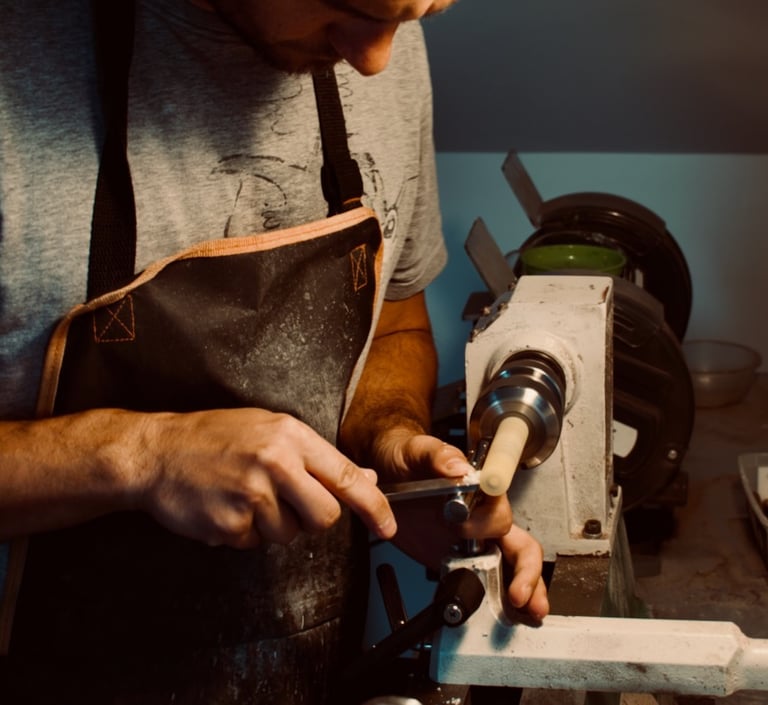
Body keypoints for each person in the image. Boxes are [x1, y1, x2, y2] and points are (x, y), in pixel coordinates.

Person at [0, 0, 549, 703]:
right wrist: (142, 455)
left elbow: (393, 322)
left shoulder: (381, 40)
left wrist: (389, 444)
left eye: (423, 13)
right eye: (353, 7)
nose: (377, 58)